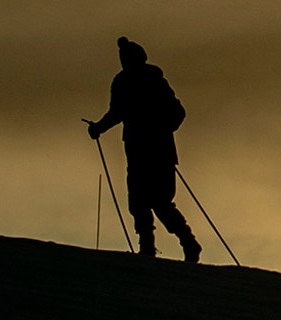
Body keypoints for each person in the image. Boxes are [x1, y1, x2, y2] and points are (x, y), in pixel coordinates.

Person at [86, 37, 201, 263]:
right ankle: (159, 246)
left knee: (155, 201)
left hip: (152, 151)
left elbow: (176, 112)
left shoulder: (138, 80)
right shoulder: (139, 80)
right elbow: (119, 112)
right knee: (144, 201)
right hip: (145, 151)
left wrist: (99, 128)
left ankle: (183, 243)